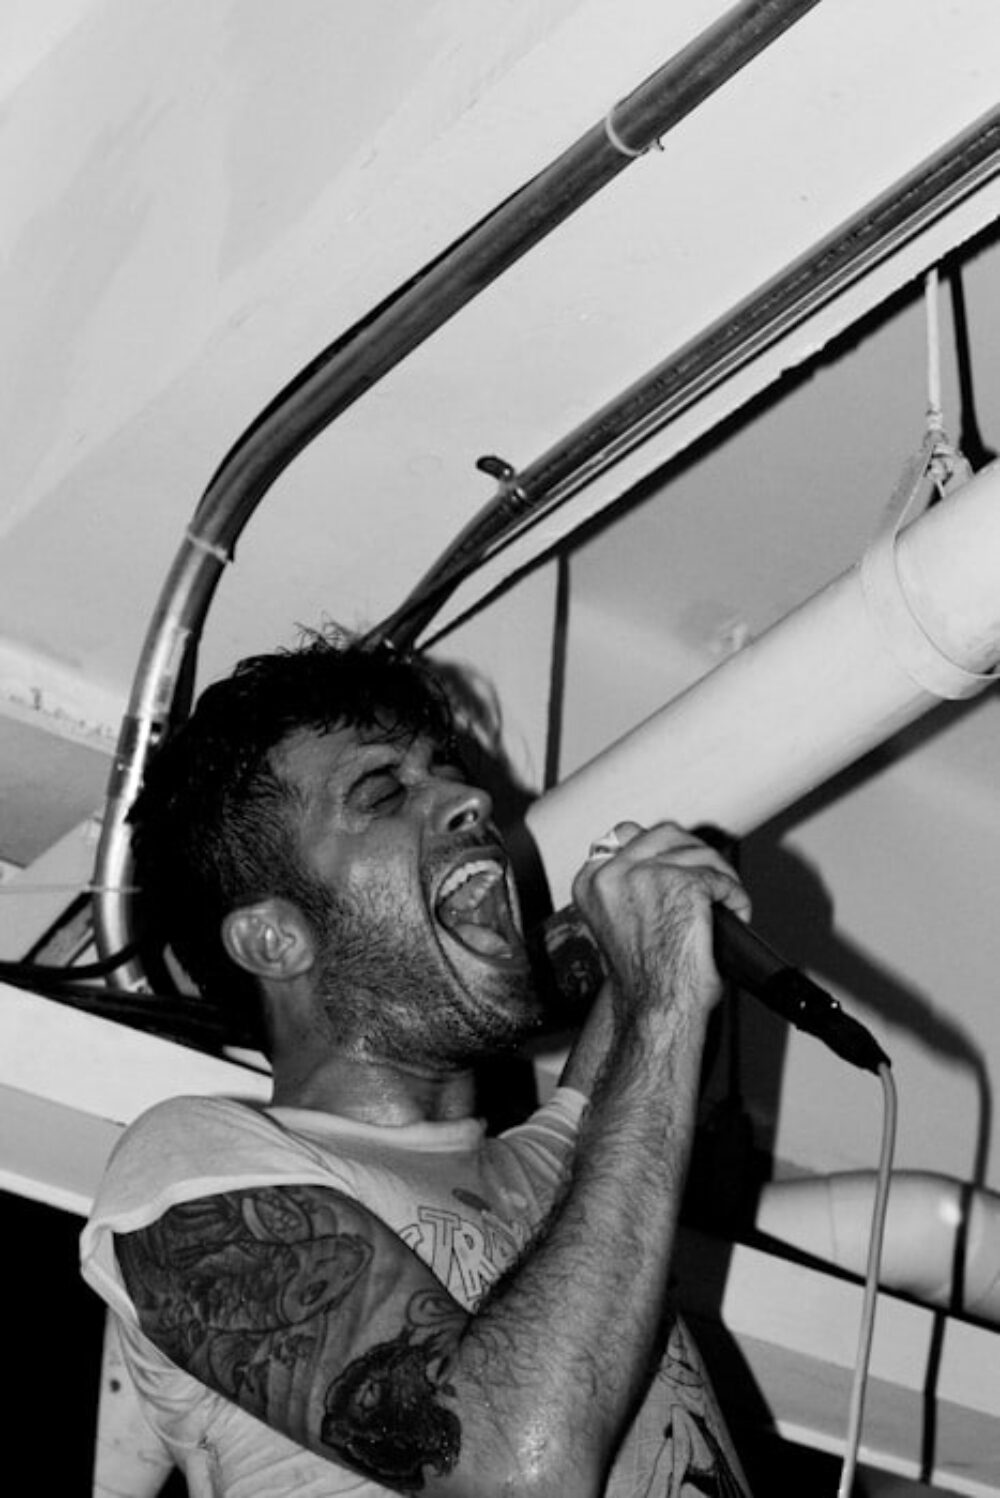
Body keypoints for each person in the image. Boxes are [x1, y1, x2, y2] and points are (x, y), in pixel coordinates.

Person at [81, 627, 755, 1496]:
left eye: (445, 769)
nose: (469, 798)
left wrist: (663, 933)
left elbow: (635, 1076)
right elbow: (512, 1477)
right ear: (274, 938)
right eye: (383, 790)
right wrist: (658, 998)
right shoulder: (190, 1162)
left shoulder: (568, 1180)